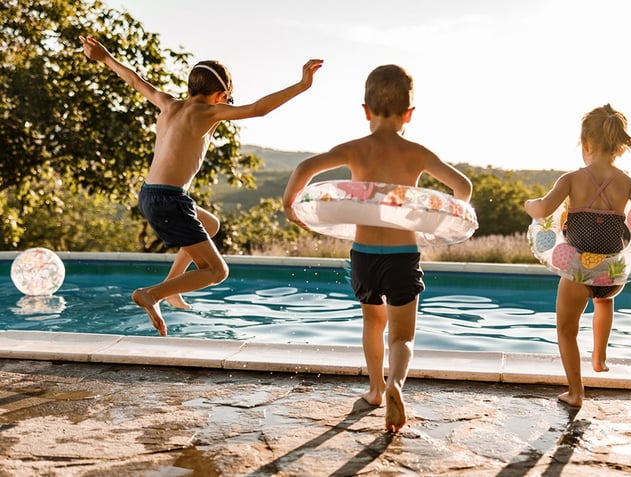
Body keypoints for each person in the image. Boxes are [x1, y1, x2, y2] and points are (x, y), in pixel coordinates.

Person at [80, 35, 322, 336]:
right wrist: (302, 85)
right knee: (218, 271)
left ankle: (172, 288)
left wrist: (104, 57)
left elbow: (134, 80)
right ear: (220, 94)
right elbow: (259, 109)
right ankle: (151, 294)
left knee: (210, 223)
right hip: (169, 199)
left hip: (150, 193)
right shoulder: (209, 112)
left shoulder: (167, 103)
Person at [282, 65, 472, 432]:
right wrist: (437, 223)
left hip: (364, 255)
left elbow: (306, 166)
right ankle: (395, 385)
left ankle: (373, 390)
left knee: (373, 323)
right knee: (403, 335)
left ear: (365, 109)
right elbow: (461, 187)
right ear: (409, 114)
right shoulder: (417, 152)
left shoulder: (356, 149)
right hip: (404, 255)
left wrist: (291, 205)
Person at [524, 104, 631, 407]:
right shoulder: (629, 183)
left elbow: (542, 210)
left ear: (586, 144)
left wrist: (530, 204)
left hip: (579, 269)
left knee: (566, 330)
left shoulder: (570, 179)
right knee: (604, 302)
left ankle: (576, 392)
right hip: (613, 272)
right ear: (619, 148)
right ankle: (600, 356)